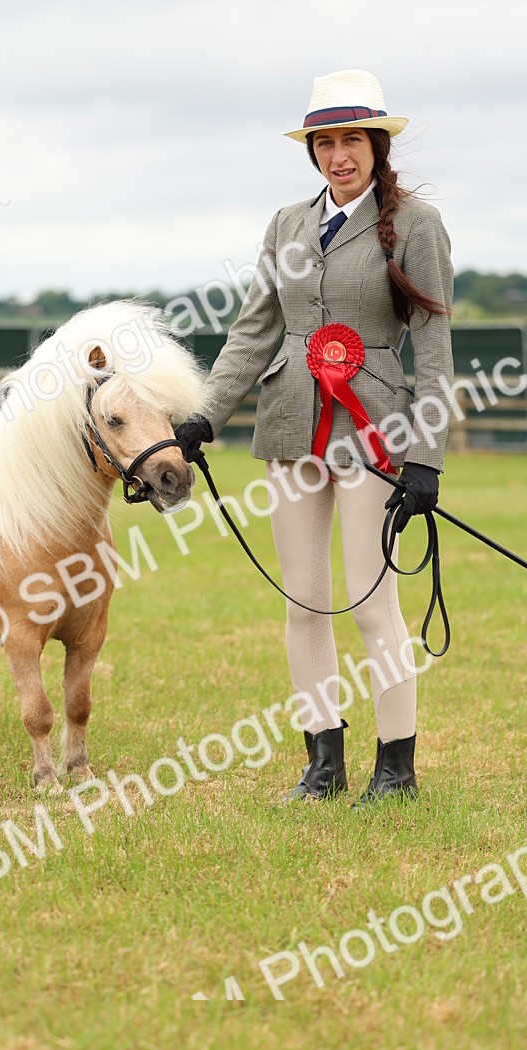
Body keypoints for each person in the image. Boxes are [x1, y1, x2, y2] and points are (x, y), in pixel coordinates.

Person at [174, 68, 453, 806]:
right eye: (326, 142)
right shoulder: (286, 226)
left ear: (377, 146)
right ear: (313, 151)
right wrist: (207, 413)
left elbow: (435, 349)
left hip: (375, 434)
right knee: (303, 604)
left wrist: (425, 458)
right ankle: (322, 760)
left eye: (352, 140)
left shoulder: (418, 226)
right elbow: (255, 329)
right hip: (293, 425)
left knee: (371, 604)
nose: (339, 155)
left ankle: (396, 769)